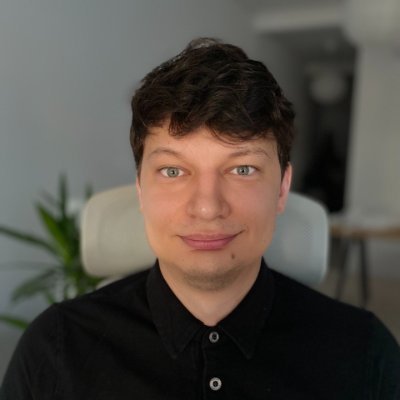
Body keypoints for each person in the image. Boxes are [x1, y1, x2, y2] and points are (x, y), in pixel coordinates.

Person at [1, 38, 399, 399]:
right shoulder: (56, 348)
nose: (207, 207)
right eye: (173, 171)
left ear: (282, 189)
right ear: (140, 189)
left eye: (242, 169)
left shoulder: (365, 354)